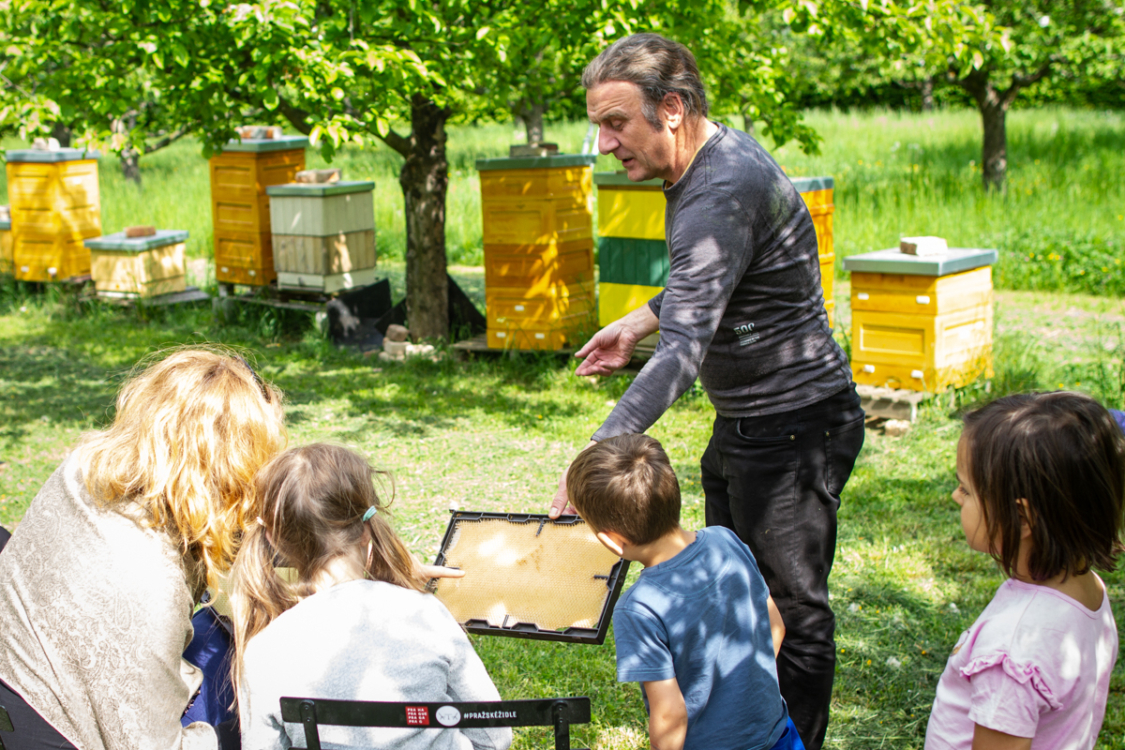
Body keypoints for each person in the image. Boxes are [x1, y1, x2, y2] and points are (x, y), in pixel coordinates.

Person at [549, 32, 865, 749]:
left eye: (614, 122)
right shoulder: (705, 165)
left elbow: (684, 355)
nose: (602, 143)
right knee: (723, 578)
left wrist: (597, 450)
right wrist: (642, 317)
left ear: (670, 109)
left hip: (792, 427)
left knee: (792, 610)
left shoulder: (719, 186)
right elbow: (713, 274)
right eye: (598, 124)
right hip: (749, 420)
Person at [0, 348, 288, 750]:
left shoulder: (83, 467)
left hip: (15, 676)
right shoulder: (154, 586)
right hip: (59, 728)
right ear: (228, 472)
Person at [231, 443, 510, 750]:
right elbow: (494, 736)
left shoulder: (262, 652)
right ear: (366, 530)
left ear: (275, 541)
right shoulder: (424, 614)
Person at [567, 433, 805, 750]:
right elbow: (775, 626)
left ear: (612, 541)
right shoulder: (726, 540)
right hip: (779, 735)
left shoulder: (638, 609)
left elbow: (670, 715)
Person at [925, 392, 1124, 750]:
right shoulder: (1086, 588)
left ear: (1022, 518)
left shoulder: (1014, 650)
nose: (956, 497)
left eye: (966, 489)